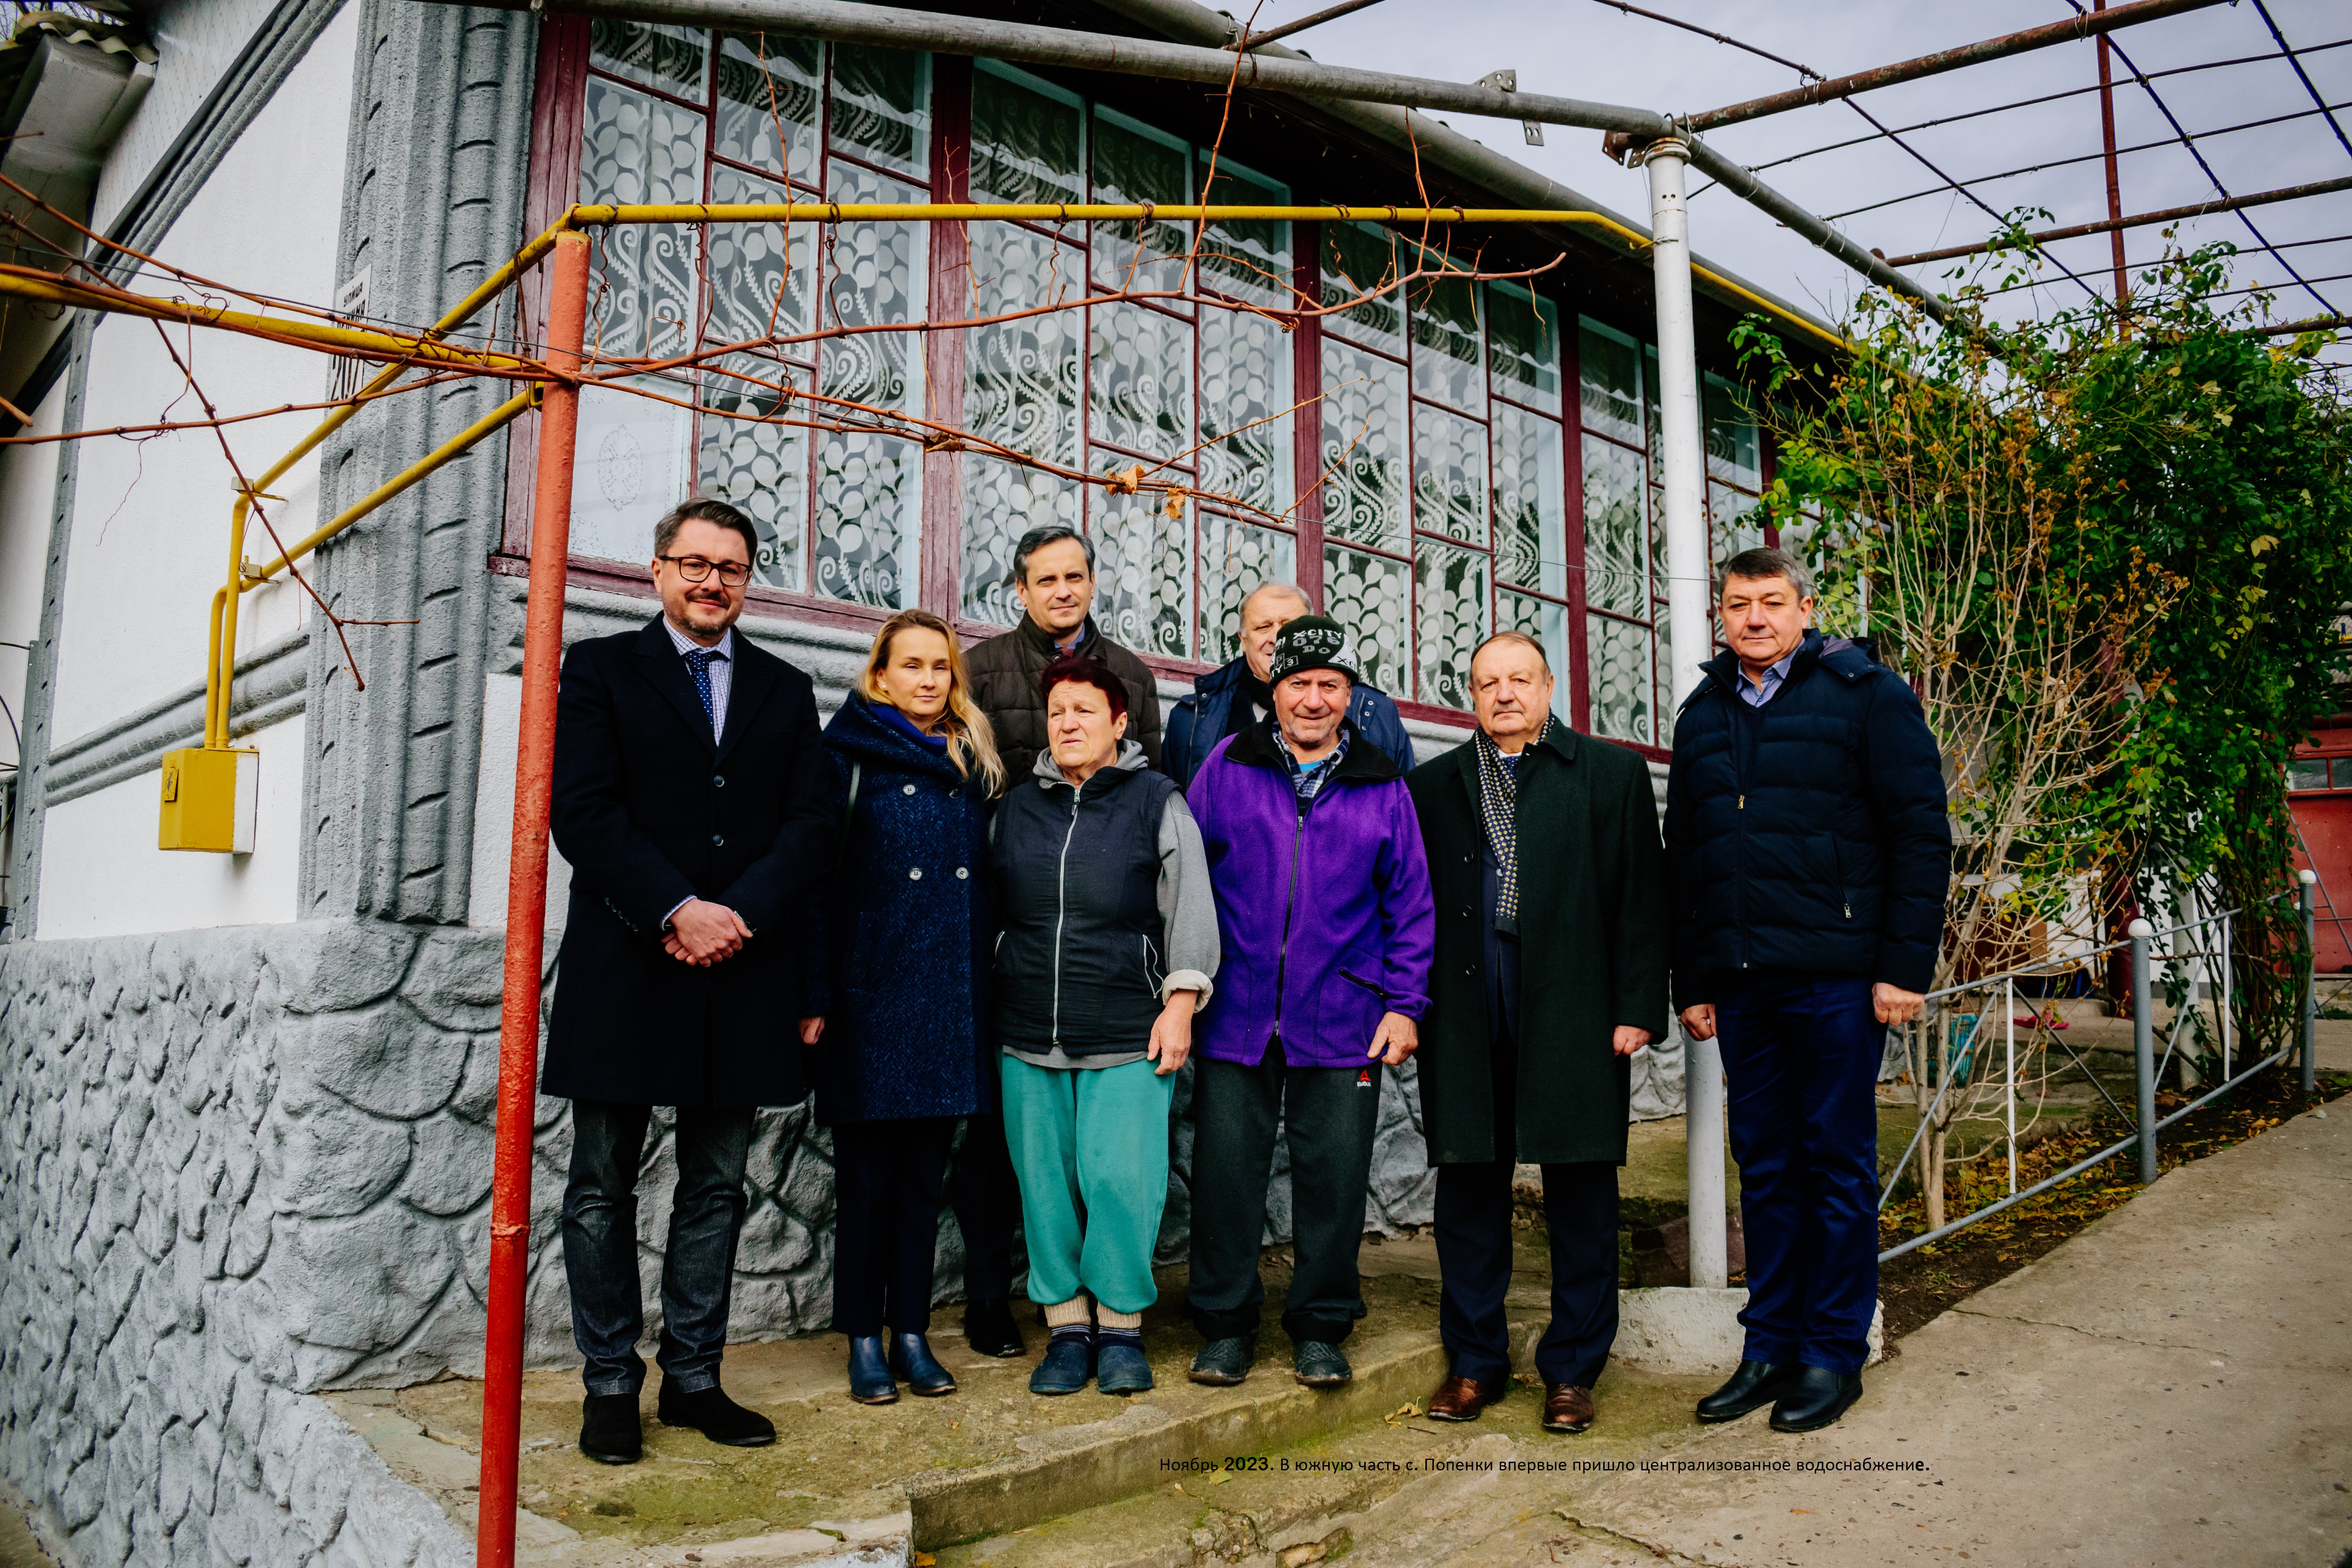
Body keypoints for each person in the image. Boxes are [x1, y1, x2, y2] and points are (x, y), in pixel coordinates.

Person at [542, 496, 834, 1465]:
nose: (713, 582)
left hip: (740, 969)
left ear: (747, 581)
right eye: (695, 563)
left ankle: (695, 1379)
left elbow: (810, 826)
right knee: (600, 1187)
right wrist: (678, 908)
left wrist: (733, 913)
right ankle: (611, 1383)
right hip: (628, 960)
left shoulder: (788, 691)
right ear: (658, 570)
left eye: (732, 568)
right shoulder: (595, 671)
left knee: (715, 1187)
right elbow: (582, 812)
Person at [1664, 546, 1951, 1434]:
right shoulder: (1702, 714)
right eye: (1739, 604)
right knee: (1769, 1167)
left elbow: (1919, 834)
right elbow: (1688, 859)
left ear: (1804, 607)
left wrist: (1904, 966)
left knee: (1835, 1164)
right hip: (1744, 986)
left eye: (1771, 602)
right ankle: (1769, 1347)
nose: (1754, 618)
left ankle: (1833, 1351)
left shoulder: (1865, 693)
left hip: (1836, 980)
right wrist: (1693, 976)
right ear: (1721, 614)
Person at [1405, 633, 1669, 1436]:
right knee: (1470, 1184)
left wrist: (1636, 1007)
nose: (1505, 693)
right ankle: (1476, 1360)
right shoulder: (1435, 783)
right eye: (1488, 682)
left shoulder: (1611, 773)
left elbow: (1639, 898)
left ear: (1550, 684)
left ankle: (1572, 1369)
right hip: (1465, 1003)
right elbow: (1411, 902)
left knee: (1582, 1188)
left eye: (1520, 678)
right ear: (1472, 697)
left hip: (1577, 1004)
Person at [1182, 616, 1436, 1390]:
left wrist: (1406, 1004)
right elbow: (1185, 879)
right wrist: (1186, 986)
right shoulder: (1228, 766)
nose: (1315, 699)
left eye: (1331, 685)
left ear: (1350, 696)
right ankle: (1226, 1325)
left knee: (1334, 1177)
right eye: (1300, 684)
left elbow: (1412, 905)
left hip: (1345, 1015)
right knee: (1227, 1173)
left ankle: (1322, 1324)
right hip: (1238, 1012)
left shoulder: (1382, 784)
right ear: (1275, 691)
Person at [957, 523, 1168, 1357]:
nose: (1061, 590)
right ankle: (991, 1296)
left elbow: (1151, 796)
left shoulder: (1134, 675)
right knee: (1004, 1150)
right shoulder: (980, 670)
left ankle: (1111, 1312)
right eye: (1045, 579)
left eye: (1075, 576)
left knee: (1108, 1162)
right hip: (1013, 910)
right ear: (1020, 589)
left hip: (1106, 953)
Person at [991, 655, 1217, 1397]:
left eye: (1085, 711)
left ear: (1119, 723)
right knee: (1045, 1186)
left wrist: (1180, 1003)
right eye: (1058, 712)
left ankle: (1120, 1326)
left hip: (1128, 1025)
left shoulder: (1156, 799)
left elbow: (1191, 906)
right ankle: (1066, 1327)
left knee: (1122, 1181)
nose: (1069, 724)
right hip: (1027, 1029)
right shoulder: (1017, 806)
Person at [798, 610, 1005, 1405]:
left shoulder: (970, 765)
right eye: (911, 665)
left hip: (949, 1004)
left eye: (940, 667)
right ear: (879, 675)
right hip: (870, 1002)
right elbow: (814, 888)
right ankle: (862, 1336)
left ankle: (912, 1331)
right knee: (866, 1183)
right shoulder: (843, 758)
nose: (927, 678)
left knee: (924, 1180)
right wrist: (815, 995)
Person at [1166, 582, 1415, 788]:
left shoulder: (1377, 714)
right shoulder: (1190, 718)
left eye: (1290, 627)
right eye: (1263, 627)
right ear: (1243, 639)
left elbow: (1407, 819)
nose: (1276, 638)